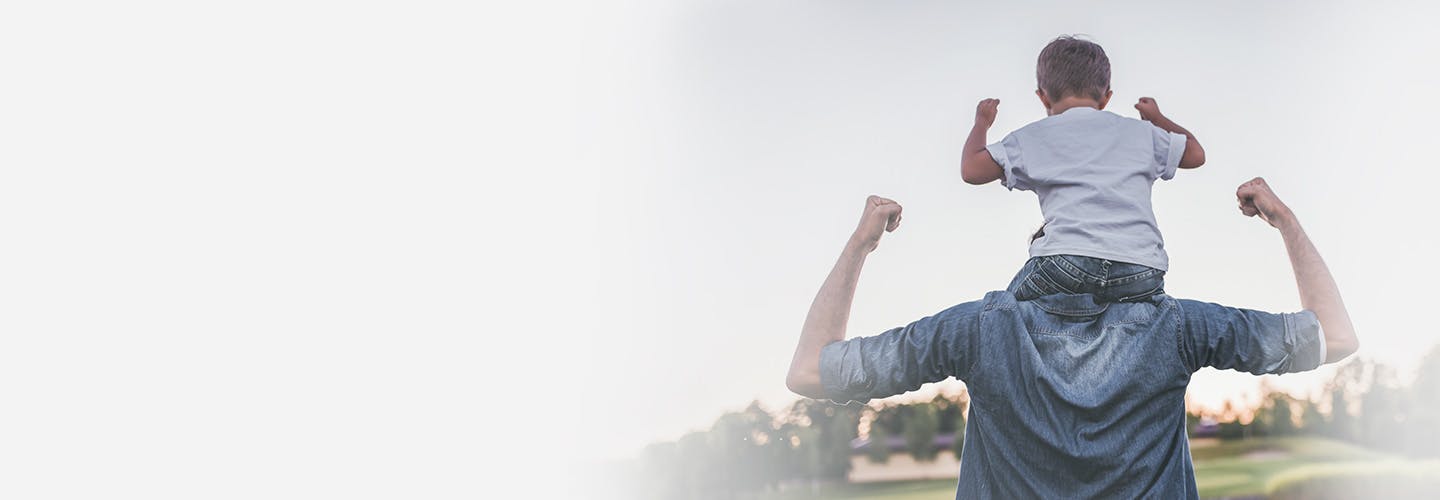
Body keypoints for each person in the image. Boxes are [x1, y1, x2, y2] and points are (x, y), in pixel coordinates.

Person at [785, 178, 1357, 498]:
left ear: (1040, 248)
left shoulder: (979, 329)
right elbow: (1334, 335)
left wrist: (861, 243)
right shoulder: (1176, 326)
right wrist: (1285, 220)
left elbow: (810, 371)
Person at [960, 36, 1206, 303]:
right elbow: (1195, 154)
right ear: (1106, 97)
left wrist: (982, 123)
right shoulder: (1141, 133)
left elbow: (971, 169)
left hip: (1066, 263)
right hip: (1142, 269)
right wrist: (1157, 119)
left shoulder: (1033, 137)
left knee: (1004, 312)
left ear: (1042, 97)